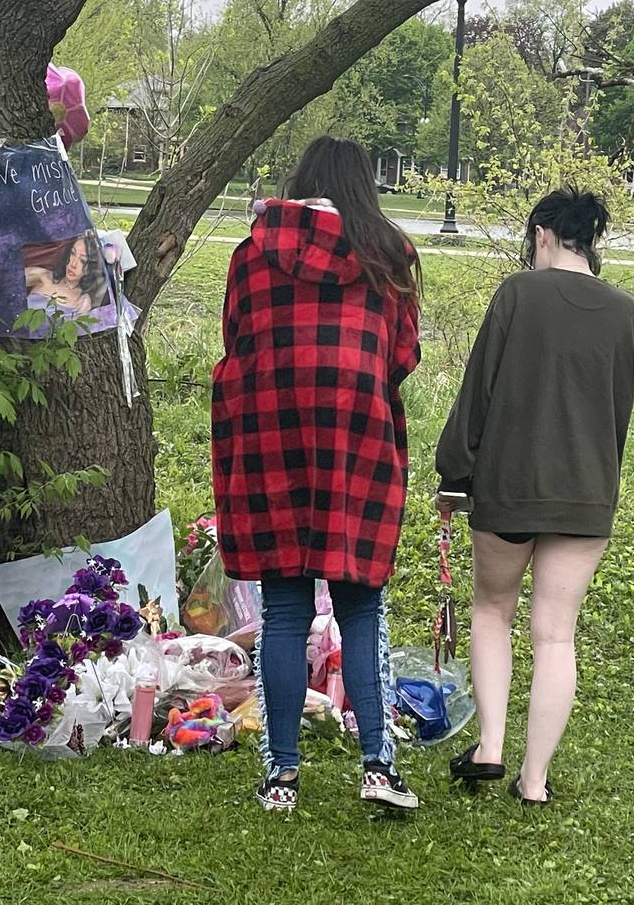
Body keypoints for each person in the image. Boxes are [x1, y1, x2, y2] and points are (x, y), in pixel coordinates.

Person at [212, 136, 422, 814]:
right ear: (364, 187)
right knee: (362, 605)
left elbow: (236, 340)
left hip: (272, 434)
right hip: (356, 436)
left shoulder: (252, 253)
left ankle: (281, 778)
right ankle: (378, 769)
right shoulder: (388, 256)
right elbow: (402, 355)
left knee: (283, 609)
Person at [436, 186, 634, 805]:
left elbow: (480, 389)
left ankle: (491, 745)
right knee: (556, 633)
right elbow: (617, 410)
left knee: (493, 608)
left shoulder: (517, 293)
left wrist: (454, 472)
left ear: (542, 236)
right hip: (585, 491)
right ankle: (535, 779)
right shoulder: (623, 310)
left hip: (510, 484)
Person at [25, 233, 105, 314]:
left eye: (82, 261)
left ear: (90, 269)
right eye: (72, 253)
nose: (73, 264)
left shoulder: (84, 301)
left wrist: (91, 298)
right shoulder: (43, 276)